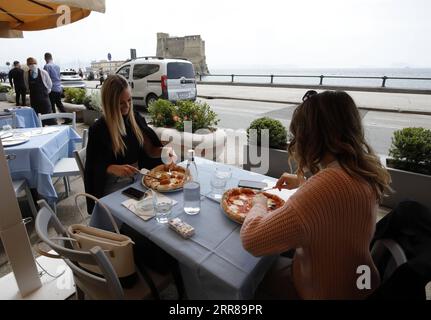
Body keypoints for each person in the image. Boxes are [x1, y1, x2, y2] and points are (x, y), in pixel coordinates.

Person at [240, 90, 391, 300]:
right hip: (359, 282)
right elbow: (337, 204)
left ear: (310, 136)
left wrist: (259, 202)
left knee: (243, 277)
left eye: (296, 134)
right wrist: (305, 183)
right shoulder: (363, 169)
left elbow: (252, 240)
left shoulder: (326, 186)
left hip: (323, 290)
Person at [84, 74, 184, 297]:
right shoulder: (99, 130)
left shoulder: (134, 118)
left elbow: (149, 150)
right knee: (142, 213)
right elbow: (93, 166)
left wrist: (165, 152)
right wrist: (113, 168)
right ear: (109, 104)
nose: (126, 106)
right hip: (112, 185)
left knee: (164, 204)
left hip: (136, 178)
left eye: (128, 100)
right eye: (120, 103)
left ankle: (155, 250)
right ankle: (126, 257)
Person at [24, 57, 56, 126]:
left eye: (34, 63)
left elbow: (49, 85)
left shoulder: (43, 72)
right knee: (37, 120)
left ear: (37, 63)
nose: (32, 65)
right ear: (27, 64)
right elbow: (27, 85)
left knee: (50, 118)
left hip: (44, 100)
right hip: (34, 100)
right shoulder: (26, 74)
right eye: (30, 63)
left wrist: (44, 93)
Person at [43, 52, 70, 124]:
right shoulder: (57, 66)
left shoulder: (46, 66)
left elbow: (46, 79)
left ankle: (54, 121)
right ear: (51, 58)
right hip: (58, 88)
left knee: (51, 105)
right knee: (59, 104)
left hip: (51, 88)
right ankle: (67, 119)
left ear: (45, 58)